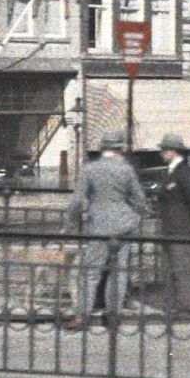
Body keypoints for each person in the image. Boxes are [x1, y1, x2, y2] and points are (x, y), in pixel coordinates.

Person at [62, 133, 148, 329]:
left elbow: (76, 201)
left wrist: (70, 225)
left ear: (102, 148)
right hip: (124, 226)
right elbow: (140, 199)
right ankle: (113, 316)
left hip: (99, 225)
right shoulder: (126, 170)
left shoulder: (91, 169)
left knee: (90, 272)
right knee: (118, 271)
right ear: (120, 148)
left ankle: (82, 316)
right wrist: (139, 215)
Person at [150, 133, 190, 315]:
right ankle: (173, 303)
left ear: (172, 152)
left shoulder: (182, 173)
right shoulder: (171, 171)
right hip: (169, 226)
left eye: (164, 150)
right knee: (169, 267)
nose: (161, 153)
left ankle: (184, 305)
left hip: (179, 226)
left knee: (180, 267)